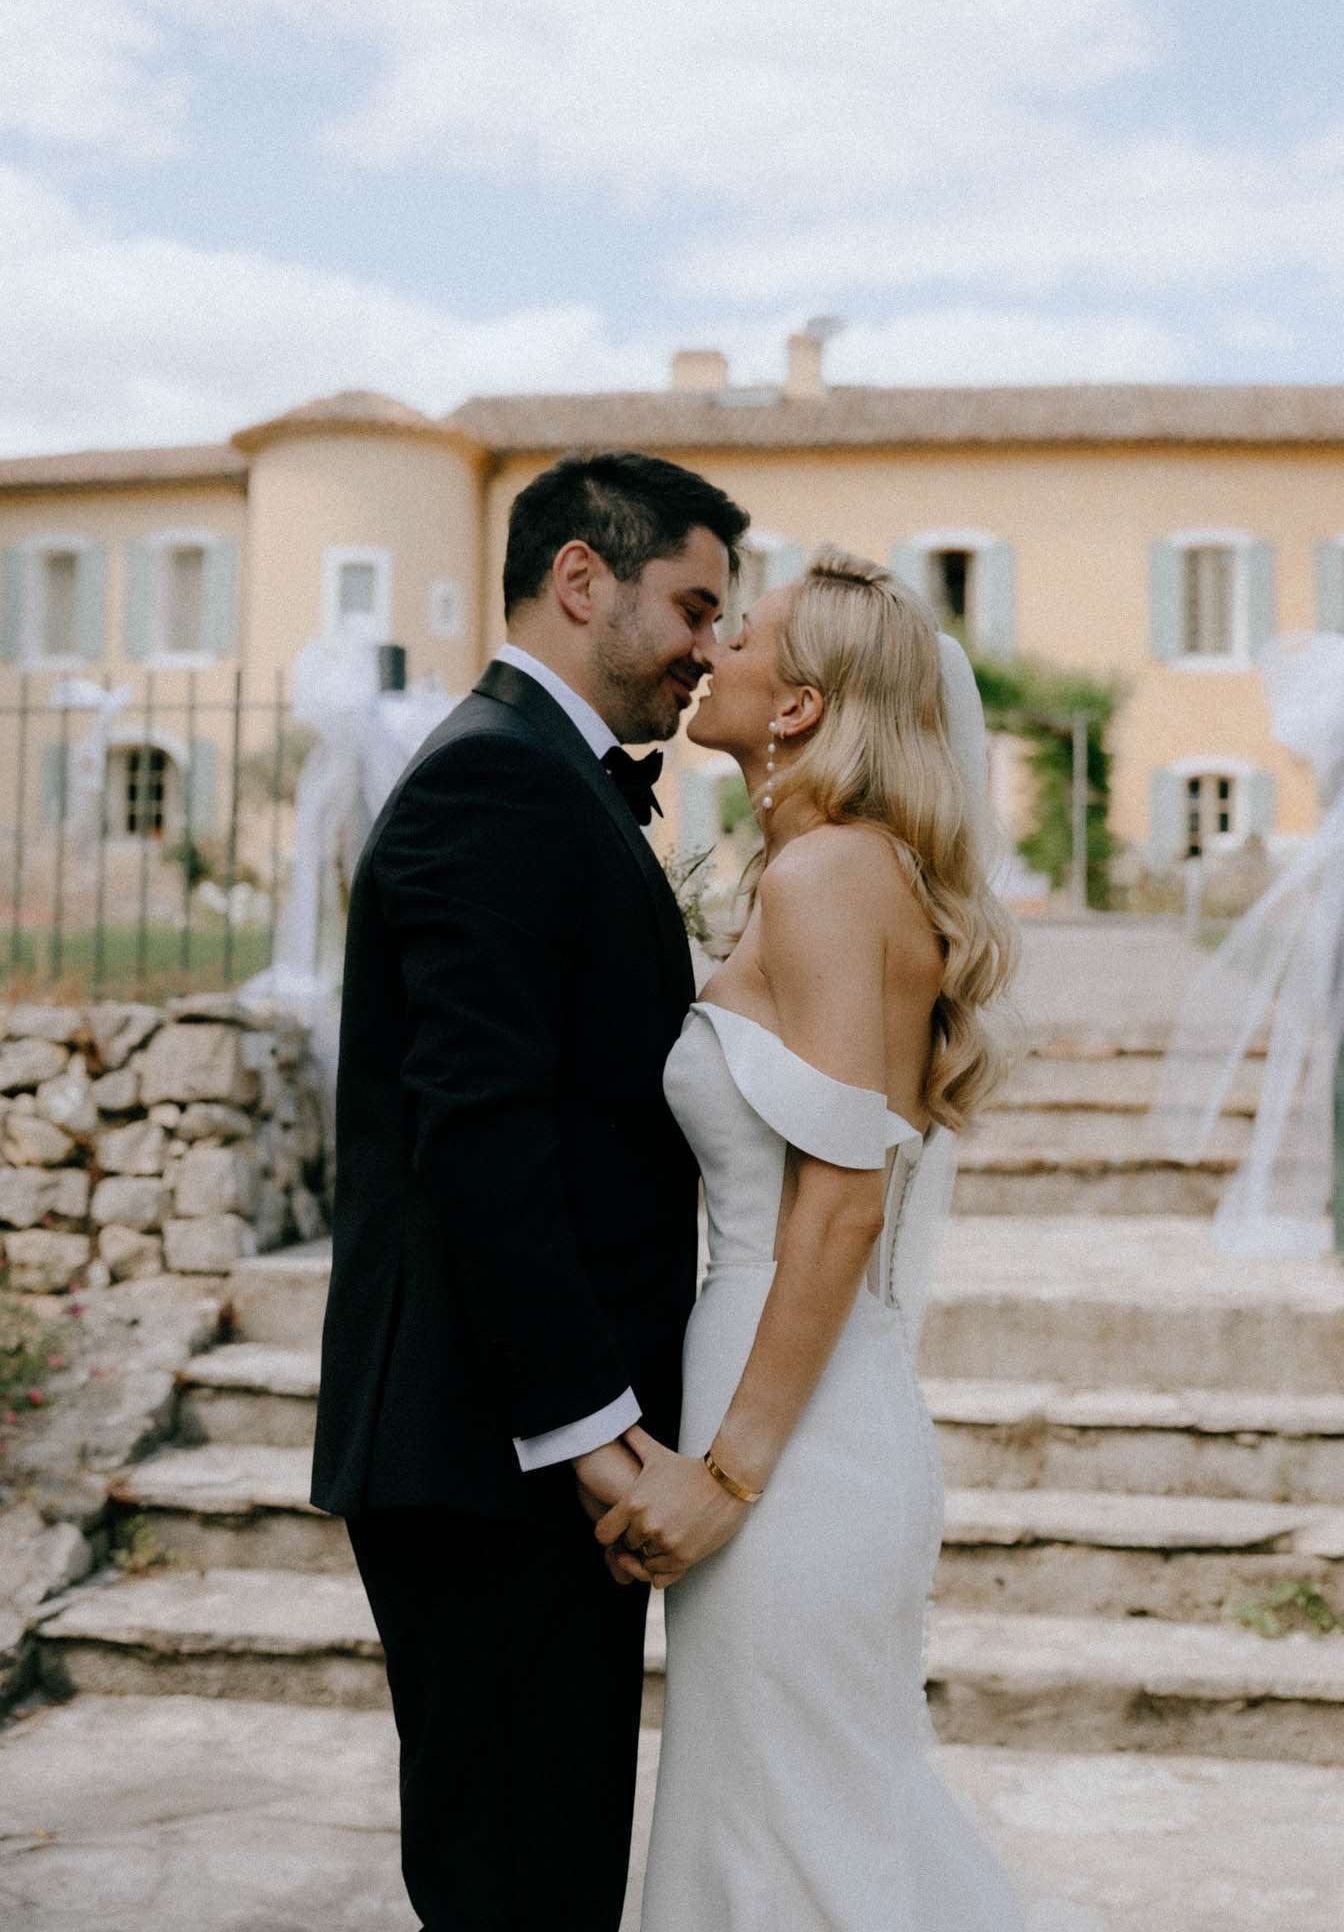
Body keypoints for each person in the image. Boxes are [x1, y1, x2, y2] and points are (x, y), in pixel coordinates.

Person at [309, 449, 749, 1932]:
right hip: (491, 1453)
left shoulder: (542, 772)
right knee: (517, 1884)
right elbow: (478, 1141)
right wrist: (597, 1444)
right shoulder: (497, 782)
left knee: (549, 1872)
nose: (709, 646)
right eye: (691, 604)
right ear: (581, 579)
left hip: (524, 1452)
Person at [595, 547, 1029, 1927]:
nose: (708, 647)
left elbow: (840, 1203)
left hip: (797, 1434)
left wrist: (725, 1473)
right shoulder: (822, 868)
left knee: (810, 1838)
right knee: (779, 1819)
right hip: (782, 1398)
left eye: (740, 633)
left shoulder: (833, 874)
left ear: (796, 708)